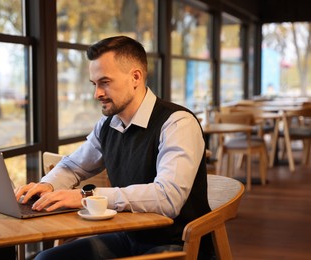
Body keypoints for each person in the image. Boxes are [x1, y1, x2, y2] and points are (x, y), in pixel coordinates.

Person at [15, 35, 214, 259]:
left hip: (178, 244)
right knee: (45, 258)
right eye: (94, 84)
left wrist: (86, 197)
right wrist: (47, 186)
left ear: (135, 77)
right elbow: (73, 166)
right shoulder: (108, 124)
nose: (97, 93)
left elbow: (168, 198)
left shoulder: (178, 123)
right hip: (129, 235)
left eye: (105, 82)